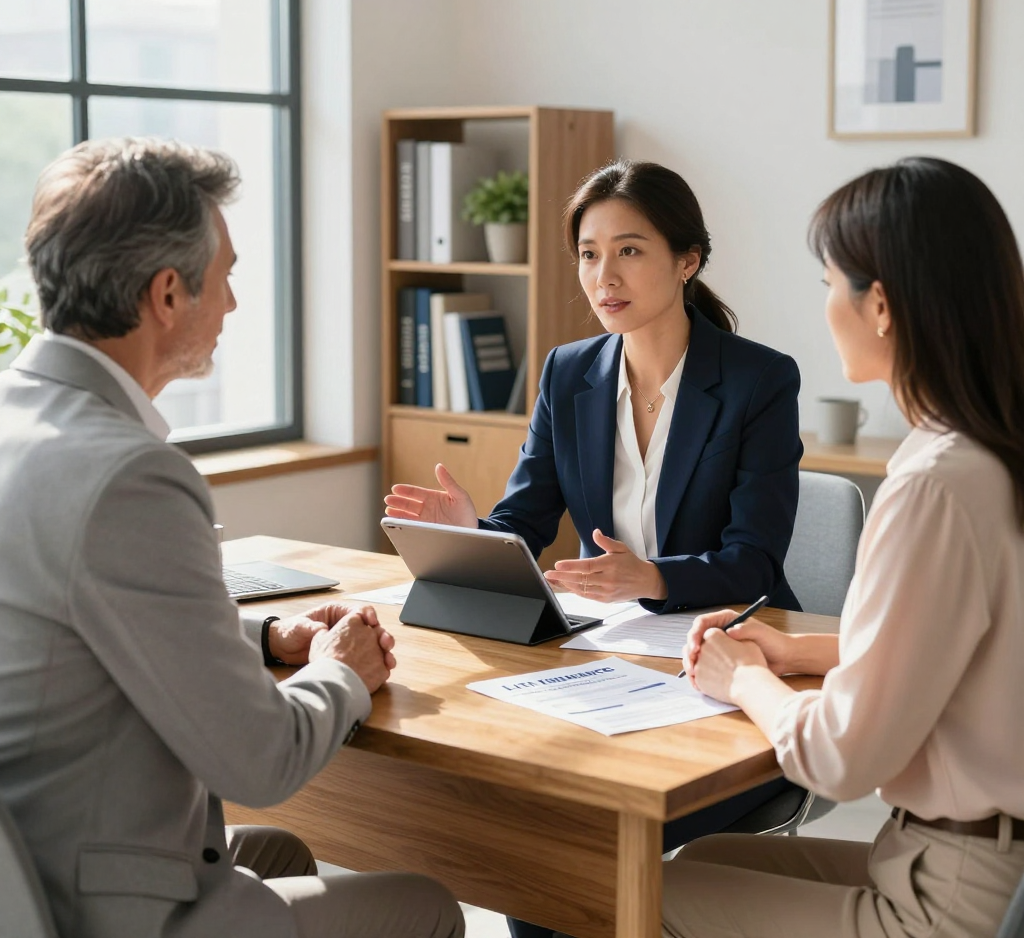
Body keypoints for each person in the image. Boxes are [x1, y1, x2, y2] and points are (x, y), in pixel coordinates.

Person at [0, 138, 464, 938]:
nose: (235, 305)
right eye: (228, 277)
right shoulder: (130, 475)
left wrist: (265, 636)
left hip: (36, 851)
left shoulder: (21, 421)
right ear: (168, 294)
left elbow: (80, 618)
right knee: (427, 908)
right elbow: (259, 761)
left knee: (279, 854)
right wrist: (341, 672)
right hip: (84, 903)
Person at [386, 160, 804, 938]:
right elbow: (527, 520)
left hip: (725, 672)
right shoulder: (569, 373)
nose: (603, 275)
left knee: (564, 841)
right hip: (607, 664)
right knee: (528, 829)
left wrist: (650, 576)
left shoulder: (758, 382)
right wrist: (470, 532)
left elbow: (755, 562)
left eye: (630, 250)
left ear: (688, 260)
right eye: (587, 252)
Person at [663, 157, 1024, 938]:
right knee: (698, 867)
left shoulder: (935, 483)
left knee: (634, 898)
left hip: (954, 895)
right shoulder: (991, 455)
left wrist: (747, 677)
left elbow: (839, 760)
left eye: (830, 282)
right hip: (978, 861)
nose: (827, 304)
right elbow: (963, 649)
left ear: (882, 306)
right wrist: (806, 655)